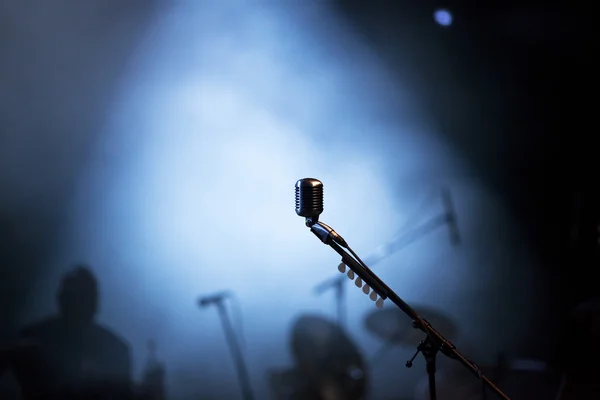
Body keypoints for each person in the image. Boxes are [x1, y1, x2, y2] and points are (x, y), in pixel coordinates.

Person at [4, 265, 133, 399]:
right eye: (75, 298)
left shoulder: (31, 338)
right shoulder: (116, 349)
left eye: (81, 298)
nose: (78, 305)